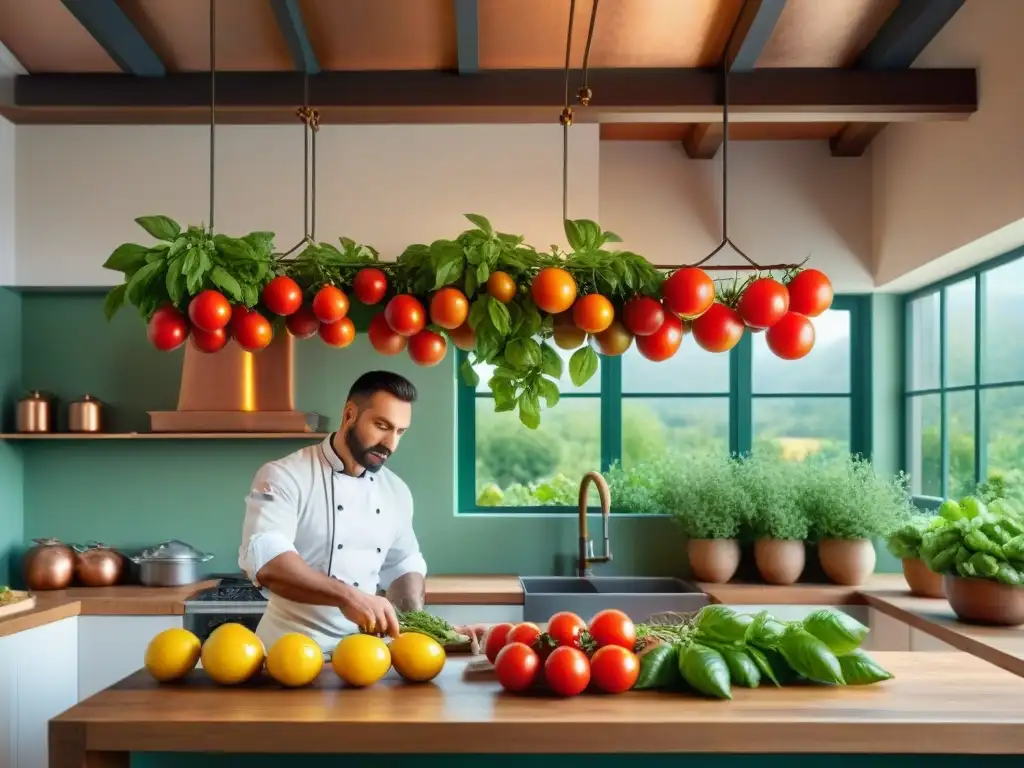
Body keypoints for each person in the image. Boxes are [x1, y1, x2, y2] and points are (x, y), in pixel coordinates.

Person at [238, 370, 486, 653]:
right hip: (287, 654)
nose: (391, 443)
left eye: (400, 432)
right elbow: (270, 561)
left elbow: (402, 566)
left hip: (364, 657)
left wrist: (436, 631)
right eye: (382, 425)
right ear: (349, 415)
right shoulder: (285, 475)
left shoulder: (396, 491)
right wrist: (348, 597)